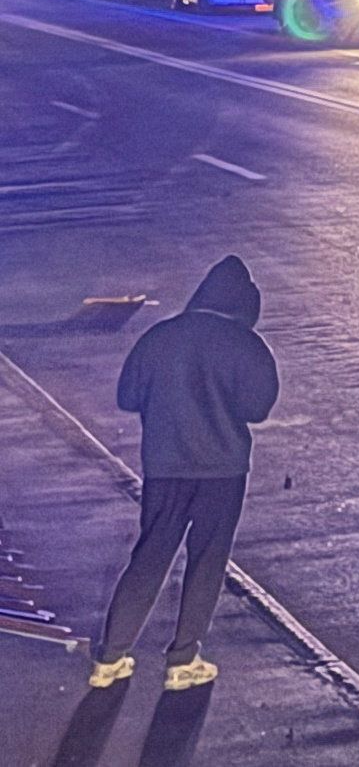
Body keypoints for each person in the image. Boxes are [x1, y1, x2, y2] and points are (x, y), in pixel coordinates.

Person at [87, 254, 276, 694]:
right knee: (206, 561)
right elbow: (258, 408)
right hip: (223, 471)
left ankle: (111, 657)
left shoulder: (160, 337)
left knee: (150, 556)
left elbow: (128, 397)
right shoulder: (245, 344)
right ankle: (182, 660)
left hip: (165, 466)